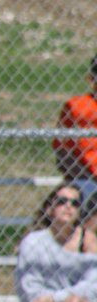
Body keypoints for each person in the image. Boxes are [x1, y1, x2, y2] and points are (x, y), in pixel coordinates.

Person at [52, 52, 97, 202]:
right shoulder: (77, 107)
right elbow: (61, 150)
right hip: (86, 178)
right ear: (91, 80)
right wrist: (81, 174)